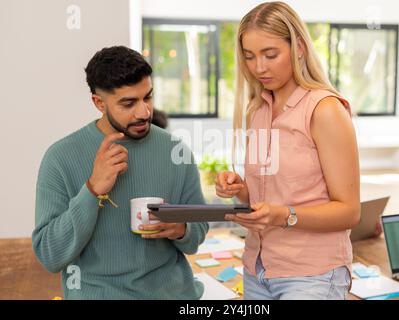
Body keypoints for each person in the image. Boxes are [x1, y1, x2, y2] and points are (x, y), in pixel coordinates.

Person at [32, 46, 208, 299]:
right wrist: (92, 190)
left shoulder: (175, 150)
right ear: (99, 103)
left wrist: (182, 229)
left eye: (147, 97)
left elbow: (198, 231)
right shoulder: (60, 158)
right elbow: (50, 255)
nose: (144, 112)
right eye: (128, 103)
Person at [215, 1, 360, 300]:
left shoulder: (325, 110)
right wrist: (240, 189)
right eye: (250, 57)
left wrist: (284, 215)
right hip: (257, 269)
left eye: (270, 55)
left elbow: (349, 211)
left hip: (312, 275)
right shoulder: (258, 110)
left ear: (299, 49)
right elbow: (262, 199)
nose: (259, 67)